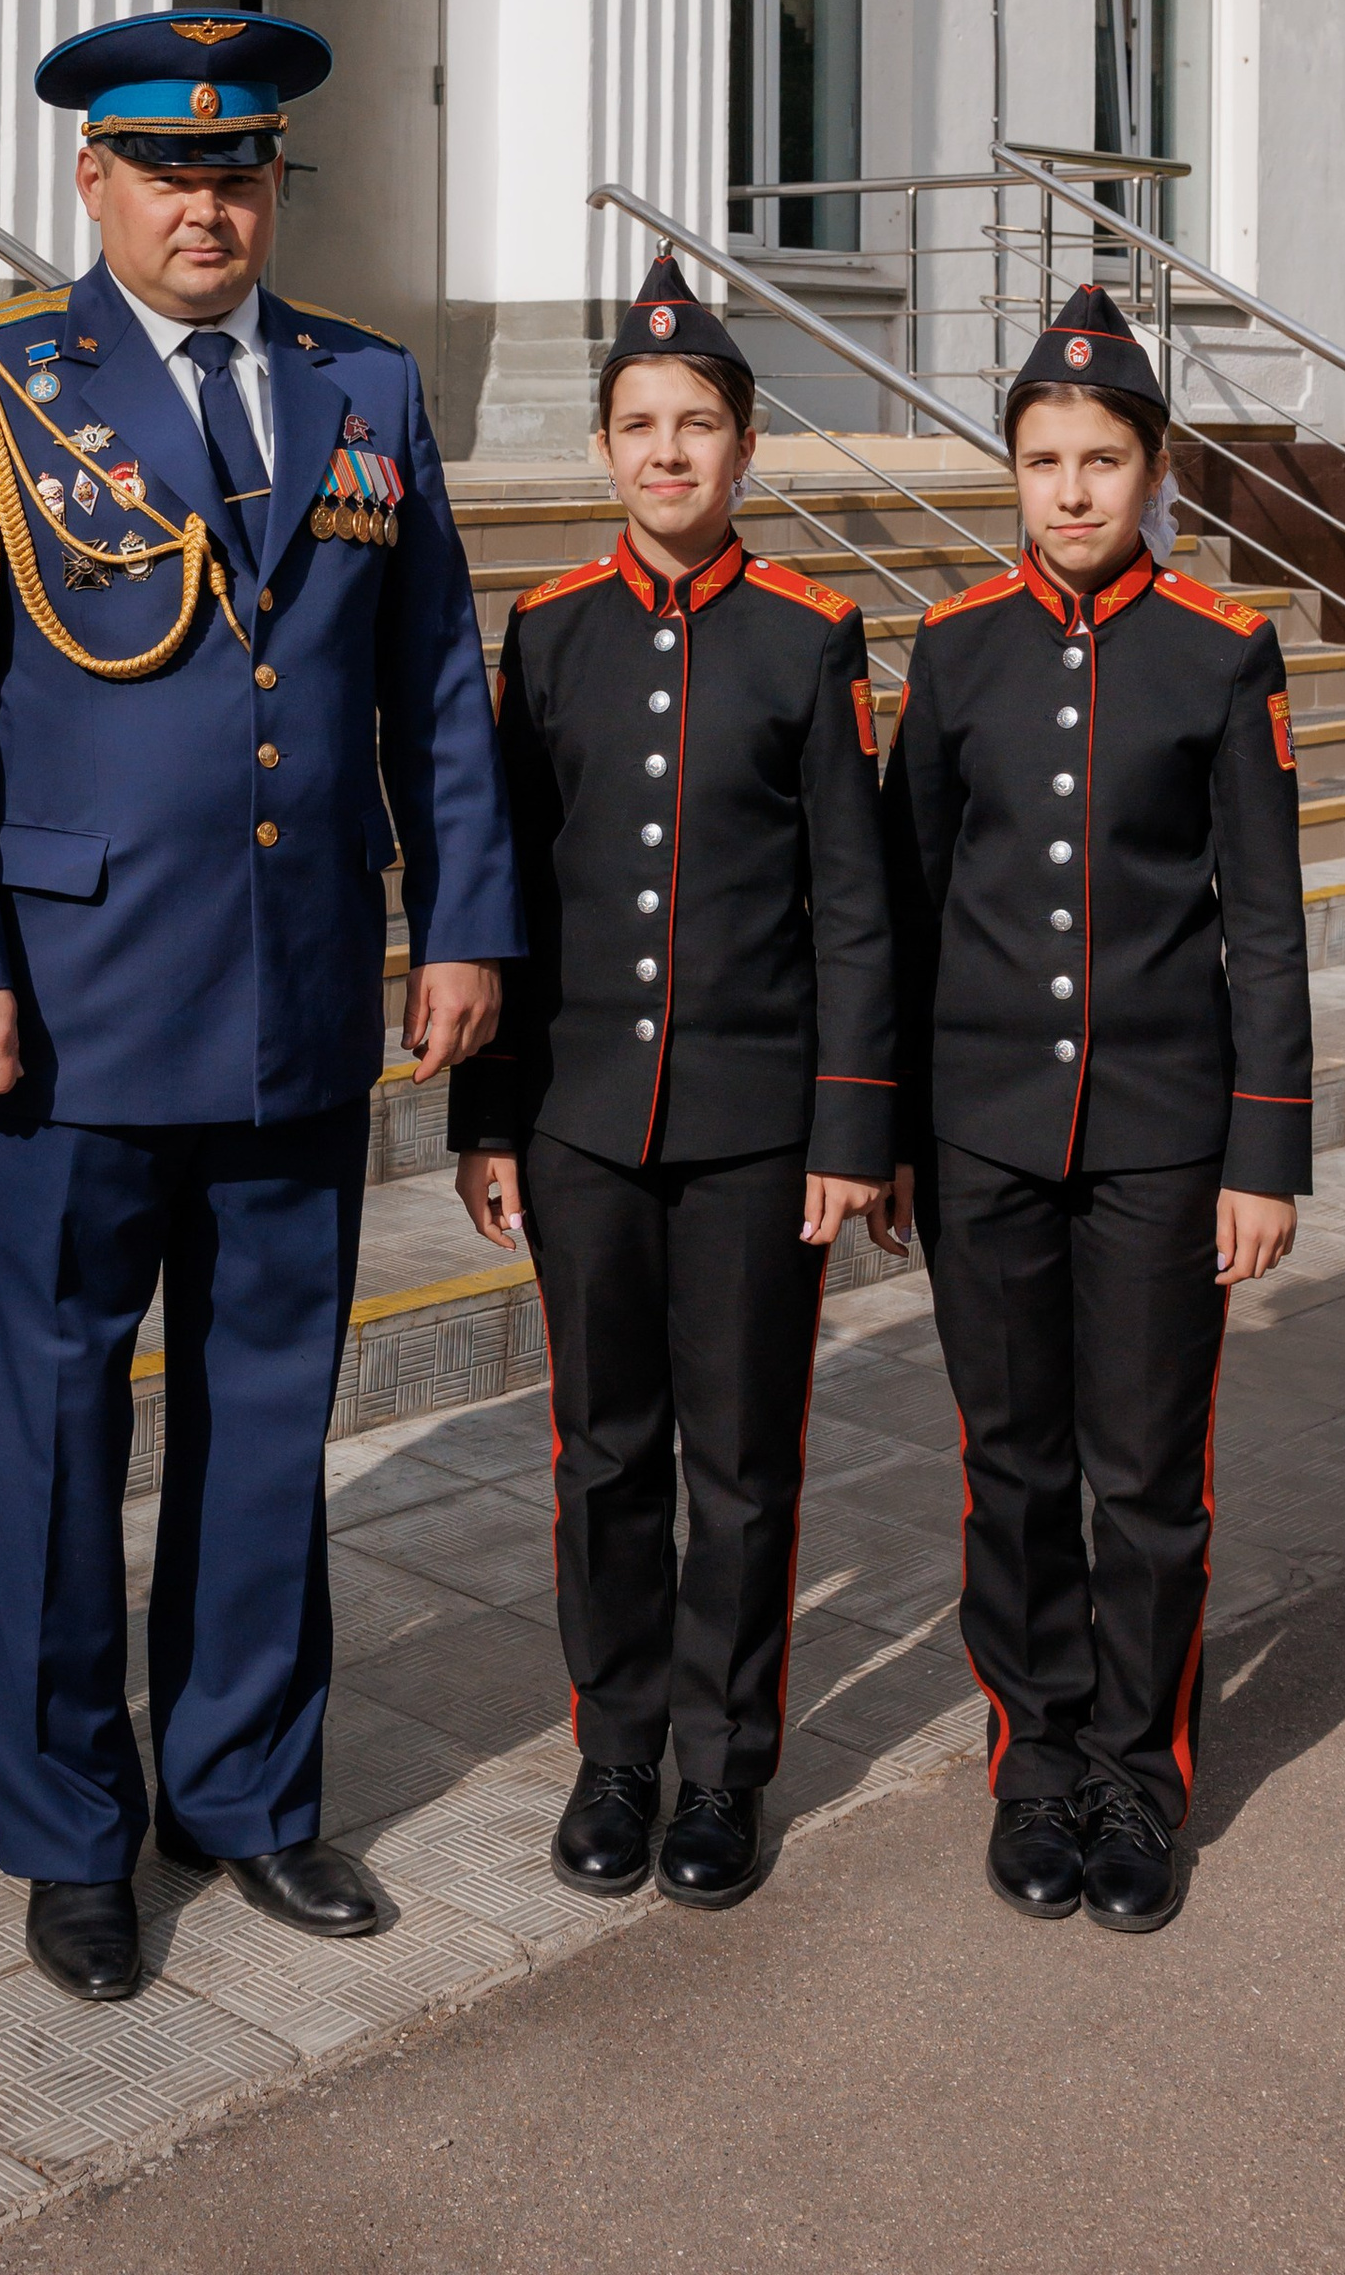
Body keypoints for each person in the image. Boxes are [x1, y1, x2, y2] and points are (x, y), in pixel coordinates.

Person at [0, 10, 520, 2004]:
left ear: (274, 184)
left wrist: (460, 921)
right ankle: (69, 1834)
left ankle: (242, 1792)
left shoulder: (364, 383)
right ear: (93, 181)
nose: (204, 205)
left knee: (267, 1419)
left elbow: (432, 683)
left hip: (295, 1000)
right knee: (47, 1439)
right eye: (165, 171)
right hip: (58, 1017)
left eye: (237, 170)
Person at [450, 255, 898, 1907]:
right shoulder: (550, 629)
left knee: (745, 1460)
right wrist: (487, 1115)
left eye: (697, 423)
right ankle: (618, 1748)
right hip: (580, 1118)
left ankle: (723, 1767)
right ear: (601, 446)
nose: (666, 450)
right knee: (605, 1454)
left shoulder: (811, 636)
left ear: (746, 445)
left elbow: (855, 905)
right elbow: (501, 893)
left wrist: (853, 1123)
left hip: (756, 1130)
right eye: (639, 423)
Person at [883, 281, 1312, 1935]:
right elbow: (906, 906)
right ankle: (1038, 1758)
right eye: (1044, 459)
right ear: (1013, 470)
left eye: (1103, 459)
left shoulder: (1221, 651)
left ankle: (1141, 1772)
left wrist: (1263, 1151)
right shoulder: (955, 649)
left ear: (1155, 472)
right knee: (1011, 1462)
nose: (1071, 490)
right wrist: (891, 1130)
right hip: (984, 1130)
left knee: (1143, 1479)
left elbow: (1265, 921)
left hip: (1159, 1133)